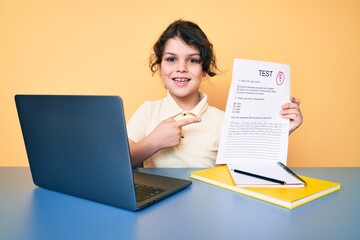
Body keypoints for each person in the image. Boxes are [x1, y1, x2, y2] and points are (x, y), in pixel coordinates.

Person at [127, 19, 303, 168]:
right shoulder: (148, 111)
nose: (181, 68)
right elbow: (119, 163)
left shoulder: (224, 121)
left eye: (193, 60)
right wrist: (154, 142)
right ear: (159, 67)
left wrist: (281, 132)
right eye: (171, 59)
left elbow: (252, 167)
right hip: (159, 206)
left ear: (204, 70)